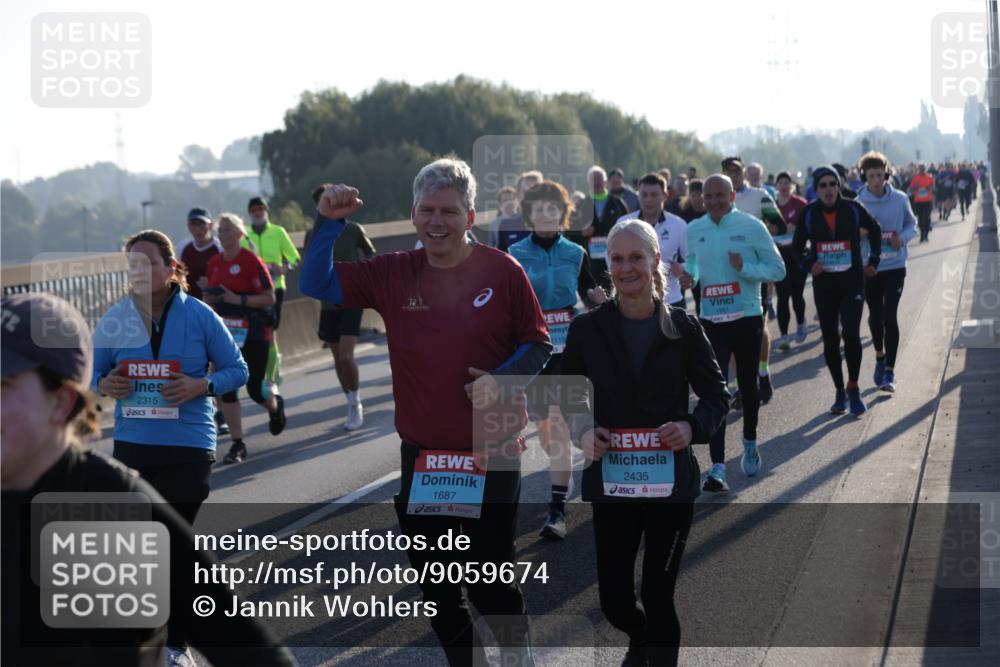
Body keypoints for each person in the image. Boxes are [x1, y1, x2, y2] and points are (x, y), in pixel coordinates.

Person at [301, 158, 551, 666]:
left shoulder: (503, 271)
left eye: (450, 211)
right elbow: (317, 284)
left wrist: (502, 379)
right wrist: (328, 224)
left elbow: (538, 343)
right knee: (438, 587)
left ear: (471, 215)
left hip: (492, 448)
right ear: (413, 215)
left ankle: (517, 654)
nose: (438, 221)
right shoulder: (392, 272)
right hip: (425, 457)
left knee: (487, 579)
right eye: (428, 210)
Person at [1, 292, 295, 667]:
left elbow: (247, 647)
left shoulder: (113, 506)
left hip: (184, 449)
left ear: (61, 402)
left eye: (4, 386)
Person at [559, 220, 730, 666]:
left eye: (636, 257)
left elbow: (717, 395)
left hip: (670, 486)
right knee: (615, 601)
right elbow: (566, 392)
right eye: (617, 259)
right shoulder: (587, 330)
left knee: (658, 593)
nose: (626, 267)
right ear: (607, 265)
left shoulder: (684, 328)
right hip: (612, 486)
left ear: (656, 261)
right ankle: (640, 636)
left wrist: (693, 428)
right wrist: (582, 429)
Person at [89, 230, 251, 664]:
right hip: (133, 447)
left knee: (167, 544)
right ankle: (156, 641)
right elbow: (89, 377)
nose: (140, 272)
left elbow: (239, 369)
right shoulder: (116, 318)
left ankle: (176, 646)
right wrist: (105, 384)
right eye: (132, 265)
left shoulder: (199, 315)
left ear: (172, 268)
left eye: (149, 263)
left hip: (188, 445)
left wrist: (204, 384)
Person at [508, 180, 605, 540]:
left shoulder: (575, 253)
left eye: (553, 209)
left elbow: (590, 293)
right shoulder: (515, 252)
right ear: (529, 215)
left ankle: (557, 512)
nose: (546, 215)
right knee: (552, 437)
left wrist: (601, 299)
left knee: (567, 430)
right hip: (534, 352)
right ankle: (567, 489)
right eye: (539, 209)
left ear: (562, 215)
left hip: (571, 351)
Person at [683, 175, 785, 492]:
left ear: (732, 196)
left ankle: (750, 442)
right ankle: (717, 467)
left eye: (719, 195)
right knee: (716, 390)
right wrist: (689, 276)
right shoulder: (694, 229)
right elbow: (693, 265)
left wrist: (746, 270)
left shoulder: (752, 226)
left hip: (747, 316)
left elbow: (778, 269)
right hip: (712, 319)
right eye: (707, 196)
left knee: (749, 386)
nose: (712, 201)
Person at [793, 166, 881, 416]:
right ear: (816, 188)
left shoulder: (853, 208)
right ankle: (839, 390)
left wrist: (873, 260)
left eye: (833, 184)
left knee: (852, 335)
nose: (829, 189)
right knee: (831, 340)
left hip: (852, 282)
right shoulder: (809, 213)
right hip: (825, 286)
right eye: (823, 185)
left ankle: (853, 386)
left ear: (839, 186)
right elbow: (797, 248)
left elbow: (874, 230)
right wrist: (810, 264)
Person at [203, 214, 287, 463]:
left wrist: (237, 299)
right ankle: (238, 444)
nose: (223, 234)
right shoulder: (214, 263)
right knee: (226, 388)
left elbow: (270, 297)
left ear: (240, 234)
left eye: (228, 230)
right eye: (220, 230)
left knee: (254, 389)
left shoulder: (252, 261)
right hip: (225, 333)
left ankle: (274, 406)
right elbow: (211, 300)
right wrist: (211, 298)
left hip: (254, 331)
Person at [308, 185, 377, 431]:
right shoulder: (313, 233)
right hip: (328, 304)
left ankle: (356, 402)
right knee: (338, 359)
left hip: (352, 298)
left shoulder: (354, 230)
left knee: (347, 356)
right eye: (319, 203)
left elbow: (371, 256)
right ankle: (350, 400)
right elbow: (311, 265)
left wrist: (365, 283)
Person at [721, 157, 786, 407]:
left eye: (737, 172)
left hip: (754, 272)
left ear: (743, 173)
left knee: (757, 328)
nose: (734, 176)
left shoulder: (759, 196)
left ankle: (763, 373)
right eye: (728, 172)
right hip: (726, 275)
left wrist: (757, 236)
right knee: (731, 329)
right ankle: (740, 387)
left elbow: (779, 225)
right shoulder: (718, 201)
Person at [856, 152, 917, 393]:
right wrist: (858, 233)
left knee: (890, 315)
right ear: (865, 177)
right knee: (876, 315)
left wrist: (901, 238)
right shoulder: (858, 202)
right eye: (871, 176)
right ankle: (880, 356)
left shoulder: (900, 199)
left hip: (895, 265)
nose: (876, 180)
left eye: (880, 175)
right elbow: (848, 229)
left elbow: (911, 225)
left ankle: (890, 372)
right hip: (870, 266)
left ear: (886, 174)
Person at [176, 207, 229, 435]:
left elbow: (230, 276)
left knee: (218, 363)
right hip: (191, 314)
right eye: (193, 224)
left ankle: (223, 413)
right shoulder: (182, 248)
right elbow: (175, 277)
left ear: (210, 226)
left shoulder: (219, 247)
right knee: (198, 363)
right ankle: (209, 410)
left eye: (201, 224)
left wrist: (215, 284)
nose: (197, 228)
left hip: (219, 312)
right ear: (189, 226)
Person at [245, 196, 301, 393]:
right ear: (249, 213)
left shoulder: (278, 232)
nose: (258, 212)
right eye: (254, 209)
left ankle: (269, 379)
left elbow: (295, 257)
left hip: (275, 288)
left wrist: (286, 267)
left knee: (270, 333)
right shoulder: (244, 235)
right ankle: (271, 364)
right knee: (255, 335)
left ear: (266, 210)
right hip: (252, 291)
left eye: (261, 208)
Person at [617, 172, 689, 309]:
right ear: (638, 195)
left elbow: (692, 260)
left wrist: (683, 268)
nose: (648, 199)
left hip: (671, 300)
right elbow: (611, 259)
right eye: (644, 195)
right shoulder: (623, 223)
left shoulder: (679, 225)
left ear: (665, 196)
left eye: (654, 195)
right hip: (635, 301)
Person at [773, 172, 809, 348]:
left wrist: (797, 228)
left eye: (787, 182)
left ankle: (801, 323)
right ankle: (784, 335)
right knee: (782, 296)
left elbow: (810, 225)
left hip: (797, 255)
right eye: (780, 183)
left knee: (797, 296)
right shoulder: (771, 205)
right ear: (777, 186)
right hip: (779, 256)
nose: (784, 186)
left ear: (791, 185)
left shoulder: (800, 204)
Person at [581, 166, 630, 291]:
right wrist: (581, 232)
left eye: (599, 179)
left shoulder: (617, 203)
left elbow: (630, 226)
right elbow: (569, 229)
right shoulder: (580, 205)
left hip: (616, 254)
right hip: (590, 258)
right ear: (588, 183)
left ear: (605, 182)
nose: (596, 182)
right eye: (593, 180)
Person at [496, 171, 543, 253]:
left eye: (535, 192)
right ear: (517, 194)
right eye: (526, 192)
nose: (530, 196)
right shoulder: (506, 225)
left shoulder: (553, 225)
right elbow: (501, 260)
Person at [908, 163, 935, 242]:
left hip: (928, 201)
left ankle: (925, 235)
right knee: (920, 218)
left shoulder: (929, 177)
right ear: (918, 169)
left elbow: (933, 187)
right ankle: (922, 233)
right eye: (920, 168)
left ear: (925, 169)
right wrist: (915, 188)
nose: (922, 170)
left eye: (923, 169)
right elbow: (911, 189)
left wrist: (930, 188)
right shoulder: (915, 178)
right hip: (918, 201)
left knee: (926, 218)